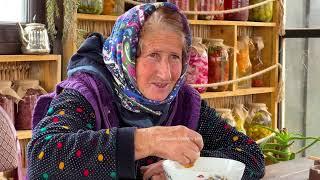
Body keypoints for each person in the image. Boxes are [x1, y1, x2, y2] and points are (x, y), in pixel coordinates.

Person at [27, 2, 265, 180]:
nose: (166, 73)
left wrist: (184, 167)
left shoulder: (183, 101)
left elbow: (251, 155)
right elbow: (41, 158)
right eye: (153, 55)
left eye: (174, 57)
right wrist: (146, 141)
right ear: (127, 55)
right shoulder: (87, 92)